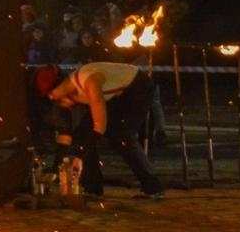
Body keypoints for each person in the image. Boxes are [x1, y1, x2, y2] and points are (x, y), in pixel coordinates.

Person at [47, 61, 164, 199]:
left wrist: (79, 157)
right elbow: (69, 133)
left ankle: (153, 187)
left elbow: (99, 127)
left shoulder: (90, 83)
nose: (62, 105)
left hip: (137, 88)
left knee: (120, 135)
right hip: (116, 95)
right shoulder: (71, 88)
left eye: (57, 99)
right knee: (82, 134)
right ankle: (92, 187)